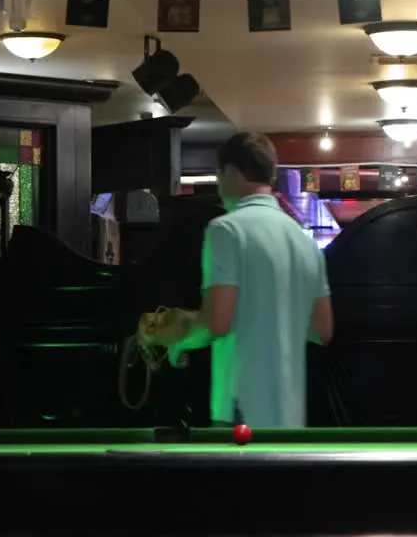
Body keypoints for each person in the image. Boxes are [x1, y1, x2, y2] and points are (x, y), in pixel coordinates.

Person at [141, 132, 332, 428]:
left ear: (230, 171)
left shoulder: (226, 230)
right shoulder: (303, 239)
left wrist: (171, 333)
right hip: (292, 412)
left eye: (218, 175)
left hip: (240, 409)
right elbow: (322, 330)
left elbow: (216, 323)